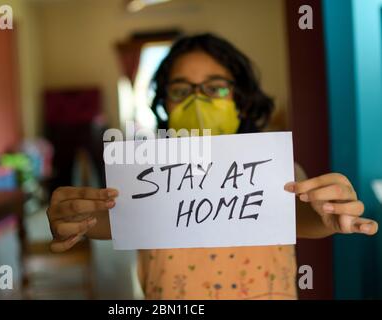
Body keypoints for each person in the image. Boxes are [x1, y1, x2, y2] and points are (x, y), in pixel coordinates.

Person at [46, 33, 378, 299]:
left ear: (242, 100)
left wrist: (329, 213)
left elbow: (303, 215)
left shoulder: (277, 168)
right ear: (165, 102)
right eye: (181, 90)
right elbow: (108, 219)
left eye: (215, 87)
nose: (198, 100)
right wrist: (73, 217)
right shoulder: (148, 175)